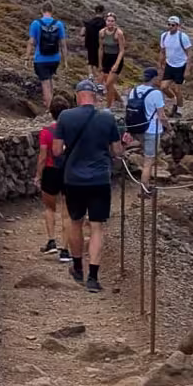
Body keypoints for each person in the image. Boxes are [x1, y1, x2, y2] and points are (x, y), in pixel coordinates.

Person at [51, 77, 120, 292]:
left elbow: (56, 150)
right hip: (99, 178)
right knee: (97, 226)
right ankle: (94, 277)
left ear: (78, 95)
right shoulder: (107, 118)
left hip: (74, 179)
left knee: (76, 222)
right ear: (95, 96)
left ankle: (78, 267)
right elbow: (117, 151)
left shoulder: (65, 117)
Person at [34, 94, 70, 254]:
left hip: (50, 170)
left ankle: (51, 240)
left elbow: (42, 156)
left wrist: (38, 175)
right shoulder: (71, 130)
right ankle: (65, 249)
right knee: (67, 212)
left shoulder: (46, 132)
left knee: (50, 208)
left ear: (51, 112)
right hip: (68, 171)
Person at [124, 65, 167, 188]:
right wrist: (169, 128)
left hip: (137, 128)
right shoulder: (156, 93)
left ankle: (145, 180)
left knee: (146, 155)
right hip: (152, 130)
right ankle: (144, 188)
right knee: (149, 161)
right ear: (154, 78)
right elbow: (162, 116)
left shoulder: (134, 90)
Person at [27, 9, 67, 107]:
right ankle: (53, 105)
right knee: (50, 80)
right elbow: (63, 44)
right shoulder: (59, 24)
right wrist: (65, 61)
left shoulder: (36, 23)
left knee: (45, 83)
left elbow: (31, 41)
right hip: (55, 59)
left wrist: (27, 57)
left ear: (41, 10)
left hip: (41, 59)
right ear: (52, 11)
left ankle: (50, 108)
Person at [159, 15, 192, 108]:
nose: (170, 26)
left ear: (178, 26)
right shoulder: (164, 36)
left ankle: (179, 110)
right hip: (169, 64)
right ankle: (174, 100)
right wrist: (160, 64)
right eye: (169, 24)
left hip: (181, 65)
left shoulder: (183, 37)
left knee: (178, 90)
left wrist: (187, 69)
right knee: (163, 87)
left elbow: (189, 52)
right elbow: (162, 51)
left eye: (173, 25)